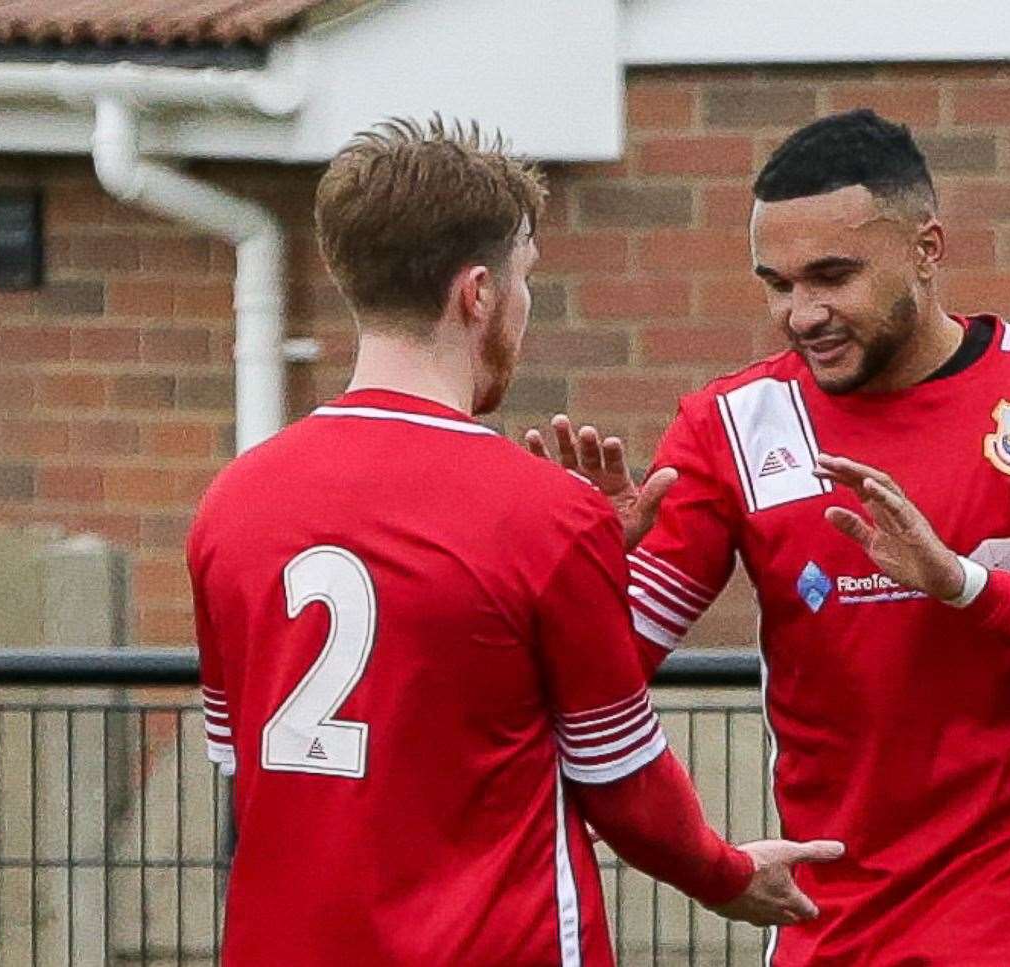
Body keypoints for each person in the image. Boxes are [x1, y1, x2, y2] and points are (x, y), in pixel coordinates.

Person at [528, 109, 1010, 966]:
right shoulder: (732, 423)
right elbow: (606, 676)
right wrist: (581, 567)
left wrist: (962, 584)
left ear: (927, 249)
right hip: (826, 913)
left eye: (832, 276)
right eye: (778, 284)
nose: (802, 314)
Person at [186, 117, 843, 967]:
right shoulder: (540, 513)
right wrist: (725, 874)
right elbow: (623, 782)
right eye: (526, 280)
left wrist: (590, 560)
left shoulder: (232, 502)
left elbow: (252, 764)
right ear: (479, 294)